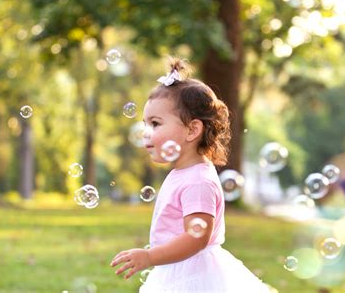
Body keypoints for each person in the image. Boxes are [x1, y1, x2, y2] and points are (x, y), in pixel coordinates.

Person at [110, 57, 273, 292]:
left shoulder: (198, 181)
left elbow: (196, 237)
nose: (146, 132)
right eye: (145, 124)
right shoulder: (184, 173)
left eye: (155, 124)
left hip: (193, 275)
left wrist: (150, 256)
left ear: (192, 130)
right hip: (176, 270)